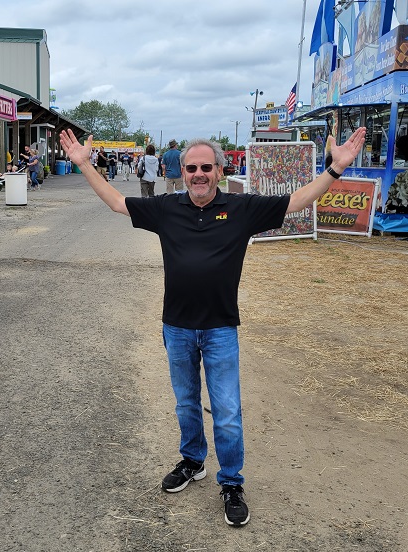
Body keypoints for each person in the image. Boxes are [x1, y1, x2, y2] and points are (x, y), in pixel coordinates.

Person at [60, 125, 366, 527]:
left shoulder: (242, 209)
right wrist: (84, 165)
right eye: (191, 168)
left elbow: (297, 201)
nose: (199, 174)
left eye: (207, 167)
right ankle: (192, 461)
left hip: (221, 328)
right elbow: (117, 202)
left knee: (226, 411)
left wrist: (336, 170)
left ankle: (232, 482)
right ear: (182, 172)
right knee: (186, 402)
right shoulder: (168, 208)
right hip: (178, 327)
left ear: (221, 171)